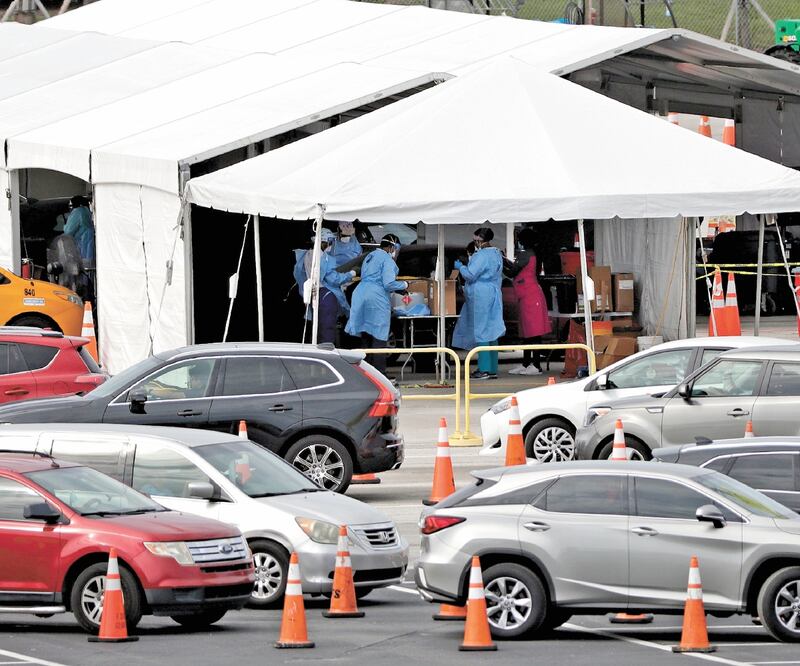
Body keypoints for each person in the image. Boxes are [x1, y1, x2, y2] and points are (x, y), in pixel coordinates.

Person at [345, 233, 407, 374]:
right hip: (376, 297)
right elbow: (388, 283)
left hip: (360, 294)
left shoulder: (370, 256)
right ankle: (379, 375)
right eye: (396, 249)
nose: (397, 253)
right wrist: (404, 285)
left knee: (366, 336)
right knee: (379, 337)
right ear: (392, 247)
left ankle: (365, 373)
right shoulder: (387, 260)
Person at [454, 227, 505, 380]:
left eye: (476, 239)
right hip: (494, 291)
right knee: (492, 330)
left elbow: (470, 275)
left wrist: (461, 267)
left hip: (481, 294)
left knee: (482, 330)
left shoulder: (481, 255)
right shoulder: (496, 253)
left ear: (479, 239)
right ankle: (492, 369)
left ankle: (483, 369)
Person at [293, 229, 356, 345]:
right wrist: (350, 275)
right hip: (326, 295)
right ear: (323, 241)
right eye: (330, 241)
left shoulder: (307, 255)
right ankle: (327, 354)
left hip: (314, 294)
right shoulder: (323, 258)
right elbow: (333, 278)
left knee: (318, 328)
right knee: (327, 329)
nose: (331, 244)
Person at [506, 227, 551, 375]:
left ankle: (536, 365)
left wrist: (500, 261)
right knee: (527, 331)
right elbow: (515, 267)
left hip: (530, 297)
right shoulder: (529, 254)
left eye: (519, 239)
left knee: (534, 332)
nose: (518, 241)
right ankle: (526, 364)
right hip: (528, 296)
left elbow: (512, 271)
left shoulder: (526, 255)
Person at [451, 242, 476, 351]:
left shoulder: (474, 265)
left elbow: (470, 276)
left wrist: (461, 268)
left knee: (477, 333)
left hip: (474, 300)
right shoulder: (471, 265)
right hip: (470, 300)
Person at [63, 196, 95, 265]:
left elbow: (68, 231)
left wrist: (65, 226)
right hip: (88, 245)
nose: (70, 208)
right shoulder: (87, 212)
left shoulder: (78, 212)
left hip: (81, 246)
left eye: (71, 205)